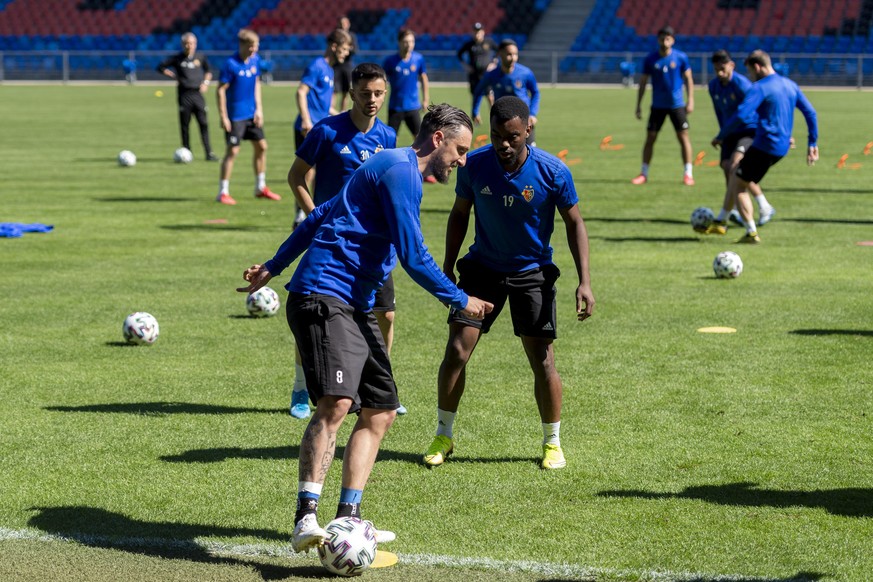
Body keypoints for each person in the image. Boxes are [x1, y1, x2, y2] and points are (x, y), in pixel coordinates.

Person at [236, 103, 493, 553]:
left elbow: (318, 216)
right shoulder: (398, 171)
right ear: (437, 138)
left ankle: (347, 518)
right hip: (324, 294)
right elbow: (413, 255)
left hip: (353, 303)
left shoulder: (386, 165)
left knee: (381, 408)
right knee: (336, 402)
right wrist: (460, 300)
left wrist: (274, 266)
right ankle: (305, 518)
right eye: (461, 149)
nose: (463, 160)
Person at [423, 96, 595, 471]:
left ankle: (552, 442)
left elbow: (575, 223)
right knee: (456, 351)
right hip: (481, 270)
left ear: (528, 129)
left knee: (542, 360)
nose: (504, 144)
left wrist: (585, 281)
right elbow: (459, 214)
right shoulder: (475, 165)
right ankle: (443, 434)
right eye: (498, 135)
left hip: (532, 273)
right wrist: (448, 266)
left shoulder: (553, 171)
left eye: (513, 136)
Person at [287, 63, 402, 419]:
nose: (372, 100)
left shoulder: (388, 136)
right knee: (317, 314)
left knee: (386, 313)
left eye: (378, 93)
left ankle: (375, 385)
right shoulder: (326, 131)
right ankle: (300, 388)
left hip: (371, 244)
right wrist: (316, 218)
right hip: (331, 245)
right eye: (365, 93)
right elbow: (296, 177)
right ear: (351, 93)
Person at [711, 50, 818, 243]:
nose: (750, 76)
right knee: (737, 174)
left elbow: (742, 114)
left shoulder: (760, 87)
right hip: (781, 148)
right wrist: (812, 142)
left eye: (751, 72)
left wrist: (721, 135)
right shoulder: (790, 85)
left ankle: (750, 232)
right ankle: (721, 221)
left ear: (758, 67)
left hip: (764, 145)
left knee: (739, 185)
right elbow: (810, 113)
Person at [702, 49, 775, 235]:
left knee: (737, 166)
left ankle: (762, 205)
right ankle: (735, 208)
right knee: (727, 167)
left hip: (748, 130)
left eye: (723, 69)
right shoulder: (713, 86)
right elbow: (719, 112)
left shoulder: (742, 84)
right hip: (729, 133)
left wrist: (765, 129)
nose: (720, 73)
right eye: (716, 69)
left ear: (731, 65)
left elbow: (757, 108)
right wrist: (722, 134)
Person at [293, 28, 352, 226]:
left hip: (323, 128)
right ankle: (301, 215)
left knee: (324, 171)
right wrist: (305, 119)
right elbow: (301, 92)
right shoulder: (317, 66)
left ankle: (318, 212)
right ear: (333, 46)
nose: (346, 53)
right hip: (309, 128)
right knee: (306, 172)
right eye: (344, 49)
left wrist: (346, 116)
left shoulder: (330, 69)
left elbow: (325, 106)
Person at [215, 29, 280, 205]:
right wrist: (223, 116)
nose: (254, 50)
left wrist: (259, 110)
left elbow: (256, 84)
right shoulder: (230, 64)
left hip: (252, 114)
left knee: (262, 147)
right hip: (235, 116)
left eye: (256, 46)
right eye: (251, 46)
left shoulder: (255, 61)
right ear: (242, 45)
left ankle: (260, 187)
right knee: (233, 151)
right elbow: (220, 90)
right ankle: (223, 192)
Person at [632, 26, 695, 186]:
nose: (665, 40)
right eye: (662, 38)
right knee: (650, 138)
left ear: (673, 40)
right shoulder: (651, 59)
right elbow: (643, 82)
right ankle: (643, 173)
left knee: (683, 137)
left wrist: (691, 100)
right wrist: (638, 105)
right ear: (658, 40)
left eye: (668, 38)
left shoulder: (681, 58)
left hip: (677, 105)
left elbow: (688, 79)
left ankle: (688, 174)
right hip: (657, 106)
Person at [156, 32, 217, 161]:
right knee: (185, 125)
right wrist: (173, 76)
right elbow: (160, 67)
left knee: (204, 124)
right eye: (186, 43)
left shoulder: (200, 57)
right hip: (184, 95)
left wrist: (206, 83)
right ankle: (186, 152)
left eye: (192, 43)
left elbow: (209, 72)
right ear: (182, 44)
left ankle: (209, 153)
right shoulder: (177, 58)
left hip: (198, 95)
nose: (189, 46)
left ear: (195, 44)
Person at [471, 39, 540, 146]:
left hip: (524, 119)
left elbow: (535, 93)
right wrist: (475, 111)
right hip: (502, 121)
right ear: (499, 54)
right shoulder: (492, 75)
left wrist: (533, 113)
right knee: (503, 153)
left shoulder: (525, 73)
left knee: (529, 152)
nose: (513, 58)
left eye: (515, 54)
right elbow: (478, 91)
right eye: (509, 54)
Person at [383, 29, 430, 141]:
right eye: (406, 41)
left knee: (420, 139)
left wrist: (425, 99)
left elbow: (423, 78)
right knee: (391, 140)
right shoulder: (390, 61)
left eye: (412, 41)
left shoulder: (418, 59)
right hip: (395, 107)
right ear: (399, 42)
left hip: (413, 106)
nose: (409, 45)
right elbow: (382, 80)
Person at [456, 22, 497, 99]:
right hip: (474, 74)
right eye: (475, 31)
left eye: (478, 31)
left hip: (486, 73)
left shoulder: (489, 42)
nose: (477, 33)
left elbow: (498, 52)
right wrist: (466, 66)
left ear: (483, 32)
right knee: (475, 95)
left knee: (490, 95)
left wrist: (493, 63)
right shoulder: (469, 44)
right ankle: (475, 111)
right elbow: (459, 54)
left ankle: (493, 110)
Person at [333, 16, 359, 112]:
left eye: (344, 23)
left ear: (348, 24)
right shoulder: (335, 35)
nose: (342, 25)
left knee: (346, 91)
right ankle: (330, 113)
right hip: (336, 66)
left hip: (347, 66)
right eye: (341, 23)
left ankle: (342, 112)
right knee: (334, 91)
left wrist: (347, 49)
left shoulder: (352, 36)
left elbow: (355, 50)